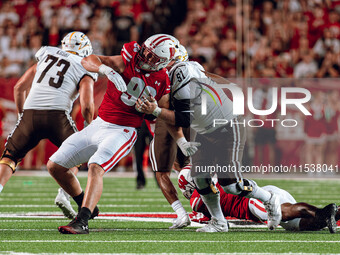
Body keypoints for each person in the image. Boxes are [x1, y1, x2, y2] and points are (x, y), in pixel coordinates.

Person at [136, 44, 282, 232]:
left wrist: (155, 110)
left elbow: (182, 117)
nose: (154, 64)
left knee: (231, 185)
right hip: (206, 130)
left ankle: (269, 198)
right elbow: (168, 115)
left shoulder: (184, 74)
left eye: (159, 60)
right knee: (200, 177)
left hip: (228, 126)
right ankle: (219, 222)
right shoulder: (175, 77)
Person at [47, 34, 177, 234]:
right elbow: (88, 59)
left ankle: (81, 220)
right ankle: (87, 204)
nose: (146, 58)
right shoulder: (129, 57)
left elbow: (164, 114)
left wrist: (154, 110)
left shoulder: (162, 79)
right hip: (99, 124)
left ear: (162, 63)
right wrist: (105, 69)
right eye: (146, 52)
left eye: (152, 57)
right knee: (55, 166)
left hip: (124, 130)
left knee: (95, 166)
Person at [0, 31, 97, 220]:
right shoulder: (84, 66)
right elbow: (87, 104)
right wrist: (89, 125)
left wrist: (22, 116)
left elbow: (19, 87)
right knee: (75, 156)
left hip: (30, 114)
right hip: (58, 117)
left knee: (9, 158)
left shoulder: (46, 55)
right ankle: (64, 194)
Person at [138, 42, 199, 229]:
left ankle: (182, 213)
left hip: (171, 115)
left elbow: (162, 107)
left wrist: (153, 110)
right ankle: (205, 209)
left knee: (162, 170)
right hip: (197, 118)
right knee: (186, 167)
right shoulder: (196, 68)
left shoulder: (172, 73)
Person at [178, 169, 338, 233]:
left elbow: (208, 213)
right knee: (299, 226)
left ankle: (324, 211)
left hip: (254, 203)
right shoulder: (218, 176)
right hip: (264, 192)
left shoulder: (197, 199)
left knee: (286, 212)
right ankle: (334, 213)